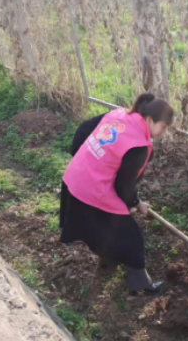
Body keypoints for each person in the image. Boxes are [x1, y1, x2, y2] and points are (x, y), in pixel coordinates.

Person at [59, 93, 174, 294]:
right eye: (163, 126)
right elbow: (124, 186)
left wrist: (84, 161)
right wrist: (136, 203)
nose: (165, 131)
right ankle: (141, 287)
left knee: (110, 227)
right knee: (132, 237)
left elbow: (83, 129)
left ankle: (107, 264)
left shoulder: (120, 114)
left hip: (73, 179)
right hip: (91, 191)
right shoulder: (139, 145)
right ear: (149, 120)